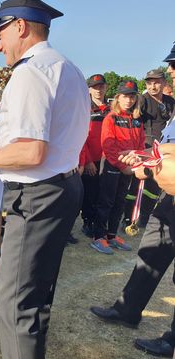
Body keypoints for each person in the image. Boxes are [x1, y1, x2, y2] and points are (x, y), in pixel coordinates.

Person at [0, 0, 90, 359]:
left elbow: (30, 152)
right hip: (61, 187)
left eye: (0, 35)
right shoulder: (69, 68)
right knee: (35, 297)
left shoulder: (31, 73)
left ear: (19, 26)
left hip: (36, 196)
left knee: (16, 304)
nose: (0, 48)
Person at [90, 60, 175, 357]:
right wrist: (143, 157)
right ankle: (127, 311)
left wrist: (147, 167)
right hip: (169, 200)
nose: (171, 73)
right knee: (150, 252)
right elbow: (165, 147)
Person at [89, 81, 144, 254]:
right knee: (106, 202)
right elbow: (109, 146)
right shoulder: (110, 118)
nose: (129, 100)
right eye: (125, 96)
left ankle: (111, 236)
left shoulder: (136, 121)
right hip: (112, 165)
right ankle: (98, 237)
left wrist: (135, 162)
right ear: (118, 97)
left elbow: (141, 145)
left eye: (132, 96)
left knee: (120, 201)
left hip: (129, 168)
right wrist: (123, 166)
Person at [122, 68, 175, 228]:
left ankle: (145, 216)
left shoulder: (170, 102)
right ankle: (128, 217)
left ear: (164, 83)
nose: (153, 86)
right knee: (135, 185)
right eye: (149, 83)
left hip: (164, 150)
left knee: (153, 187)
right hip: (144, 148)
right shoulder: (142, 100)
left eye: (157, 82)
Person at [79, 74, 110, 237]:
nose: (98, 90)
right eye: (95, 87)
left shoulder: (111, 109)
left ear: (106, 88)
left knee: (103, 194)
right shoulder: (84, 108)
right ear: (89, 89)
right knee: (89, 194)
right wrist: (88, 161)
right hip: (90, 159)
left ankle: (100, 223)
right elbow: (80, 137)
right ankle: (87, 222)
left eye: (101, 86)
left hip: (107, 159)